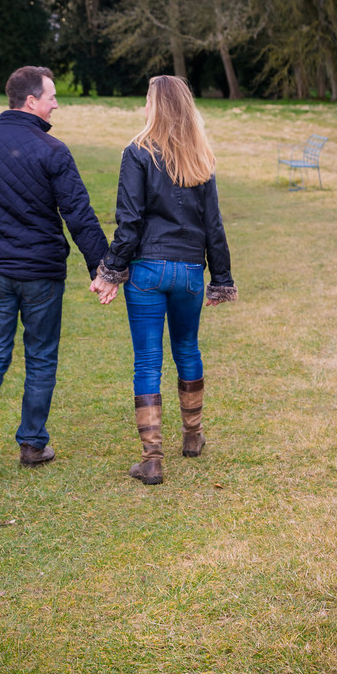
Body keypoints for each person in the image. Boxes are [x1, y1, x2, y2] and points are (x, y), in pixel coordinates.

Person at [0, 65, 108, 487]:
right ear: (30, 102)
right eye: (52, 96)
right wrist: (103, 267)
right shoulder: (53, 150)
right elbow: (78, 214)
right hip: (40, 272)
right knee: (40, 357)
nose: (56, 103)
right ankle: (33, 444)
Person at [90, 75, 237, 486]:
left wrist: (110, 271)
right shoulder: (200, 157)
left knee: (148, 361)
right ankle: (192, 438)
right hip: (190, 271)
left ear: (155, 106)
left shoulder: (137, 151)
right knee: (187, 348)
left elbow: (129, 221)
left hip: (149, 272)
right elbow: (214, 226)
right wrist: (220, 278)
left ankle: (152, 459)